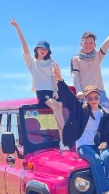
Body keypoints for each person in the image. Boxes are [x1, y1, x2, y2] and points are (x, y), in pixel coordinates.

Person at [51, 62, 109, 194]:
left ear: (99, 97)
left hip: (99, 145)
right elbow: (69, 97)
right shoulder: (80, 110)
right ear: (86, 99)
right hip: (84, 145)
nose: (93, 100)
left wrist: (107, 143)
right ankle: (105, 193)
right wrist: (59, 78)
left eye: (95, 97)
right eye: (90, 98)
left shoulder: (106, 115)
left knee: (108, 157)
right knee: (95, 160)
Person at [10, 18, 67, 153]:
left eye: (46, 49)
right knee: (56, 106)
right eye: (41, 48)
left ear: (48, 51)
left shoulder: (52, 62)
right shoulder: (32, 62)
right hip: (42, 91)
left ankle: (63, 141)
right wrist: (17, 27)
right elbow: (25, 47)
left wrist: (55, 91)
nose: (43, 50)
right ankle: (66, 136)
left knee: (60, 108)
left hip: (53, 91)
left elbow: (54, 78)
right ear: (36, 49)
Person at [70, 14, 109, 110]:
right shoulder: (75, 59)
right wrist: (79, 91)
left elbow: (108, 41)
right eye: (85, 43)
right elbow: (74, 76)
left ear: (95, 44)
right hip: (85, 93)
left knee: (106, 115)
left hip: (100, 92)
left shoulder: (98, 55)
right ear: (81, 44)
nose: (88, 45)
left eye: (91, 43)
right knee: (86, 117)